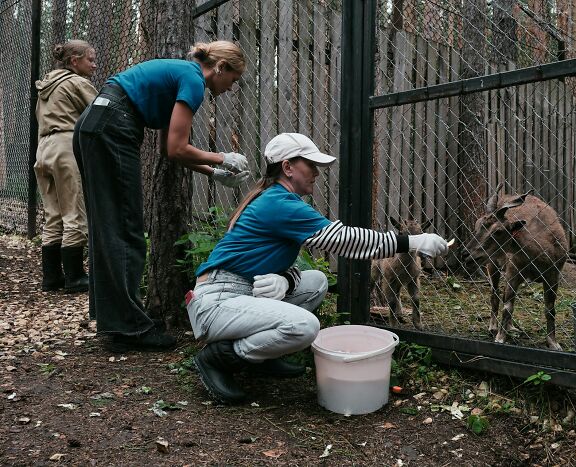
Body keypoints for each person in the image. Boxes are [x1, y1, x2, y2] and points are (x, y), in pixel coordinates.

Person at [186, 133, 450, 404]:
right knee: (304, 327)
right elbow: (343, 240)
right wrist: (411, 241)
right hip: (217, 303)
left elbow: (273, 262)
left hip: (236, 292)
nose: (316, 173)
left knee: (316, 281)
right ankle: (217, 359)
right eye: (310, 165)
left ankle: (261, 357)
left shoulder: (276, 198)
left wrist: (286, 280)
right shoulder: (279, 203)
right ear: (288, 168)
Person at [73, 41, 251, 352]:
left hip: (96, 123)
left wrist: (214, 173)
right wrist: (222, 158)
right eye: (233, 80)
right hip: (113, 126)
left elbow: (171, 151)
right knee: (126, 228)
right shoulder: (194, 81)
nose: (232, 88)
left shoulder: (184, 74)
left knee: (110, 227)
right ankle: (130, 327)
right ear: (221, 68)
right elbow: (177, 148)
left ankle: (118, 322)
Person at [35, 40, 97, 293]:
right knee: (74, 211)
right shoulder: (77, 83)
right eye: (90, 59)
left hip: (44, 148)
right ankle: (75, 277)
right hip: (65, 146)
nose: (94, 64)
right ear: (74, 61)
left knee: (53, 214)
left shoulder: (45, 86)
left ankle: (51, 278)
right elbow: (99, 111)